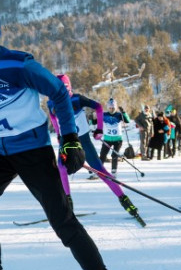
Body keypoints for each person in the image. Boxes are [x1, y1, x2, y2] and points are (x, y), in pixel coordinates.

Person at [0, 3, 132, 270]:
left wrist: (70, 139)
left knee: (63, 222)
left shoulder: (17, 64)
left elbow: (59, 95)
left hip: (31, 149)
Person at [49, 74, 143, 226]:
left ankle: (124, 200)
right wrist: (59, 134)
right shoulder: (52, 102)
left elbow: (98, 107)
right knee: (61, 168)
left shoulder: (77, 99)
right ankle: (68, 203)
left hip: (83, 140)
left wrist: (99, 129)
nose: (63, 92)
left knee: (100, 171)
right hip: (67, 141)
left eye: (65, 88)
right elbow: (53, 118)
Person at [99, 99, 129, 174]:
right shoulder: (104, 114)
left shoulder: (119, 115)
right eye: (110, 108)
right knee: (102, 155)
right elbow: (94, 121)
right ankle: (99, 170)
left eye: (113, 108)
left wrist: (124, 113)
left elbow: (127, 120)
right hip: (107, 139)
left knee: (114, 155)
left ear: (115, 108)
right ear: (108, 107)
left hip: (118, 139)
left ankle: (113, 171)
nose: (111, 109)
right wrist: (92, 118)